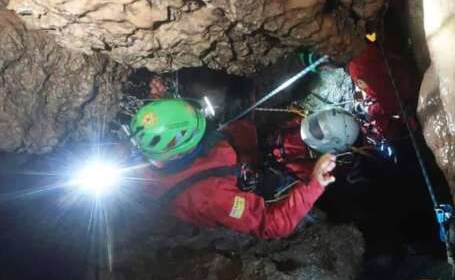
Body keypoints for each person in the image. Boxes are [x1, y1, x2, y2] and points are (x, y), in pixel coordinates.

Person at [130, 98, 336, 239]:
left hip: (237, 159)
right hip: (243, 186)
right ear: (181, 149)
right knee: (276, 181)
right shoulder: (211, 197)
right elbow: (271, 223)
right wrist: (314, 184)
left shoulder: (143, 148)